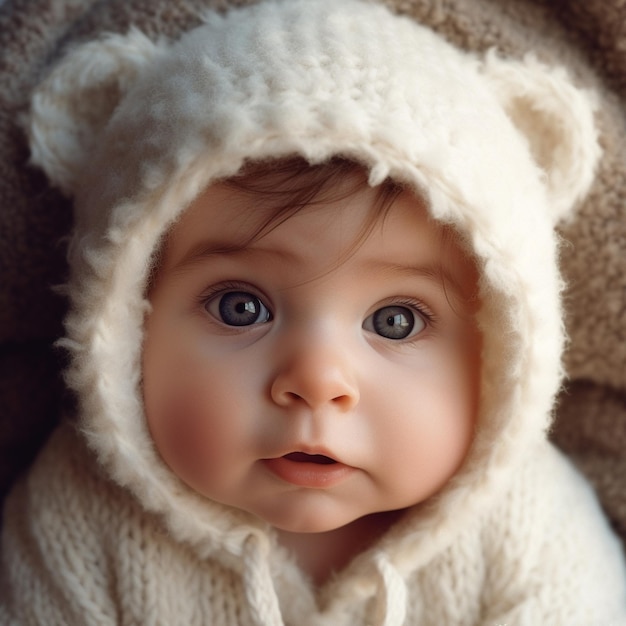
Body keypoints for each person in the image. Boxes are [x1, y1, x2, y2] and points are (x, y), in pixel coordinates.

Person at [1, 0, 625, 624]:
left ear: (504, 352)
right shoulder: (74, 523)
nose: (317, 380)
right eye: (240, 307)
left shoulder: (532, 528)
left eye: (395, 321)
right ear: (121, 328)